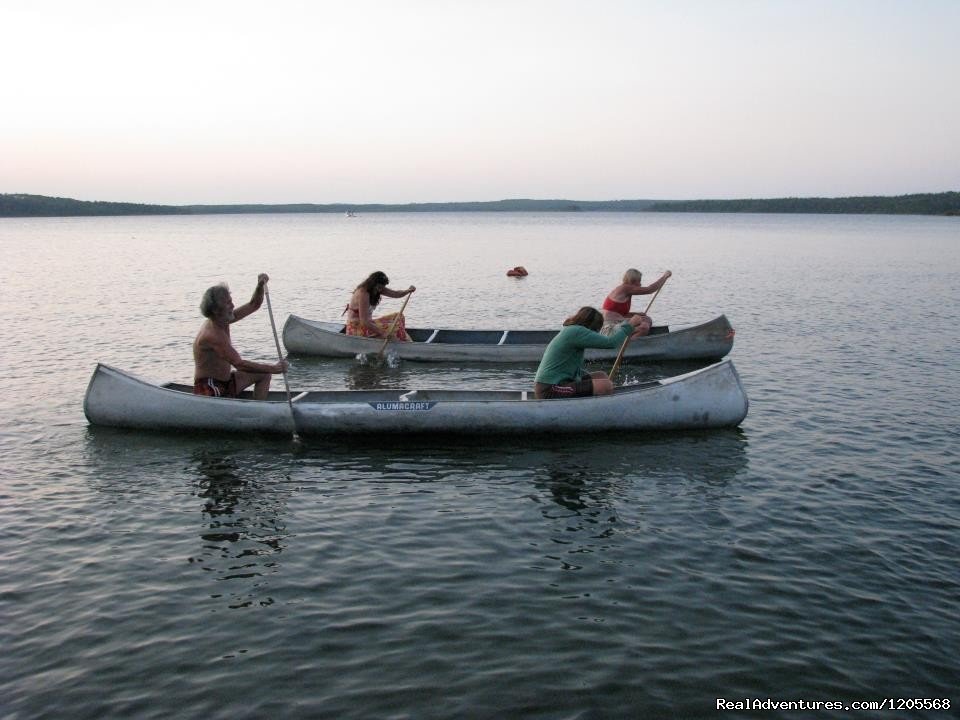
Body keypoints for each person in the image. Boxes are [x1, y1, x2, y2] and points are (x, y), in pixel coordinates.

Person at [193, 273, 288, 400]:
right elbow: (239, 364)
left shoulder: (224, 319)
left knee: (264, 374)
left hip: (226, 382)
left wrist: (260, 285)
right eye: (228, 303)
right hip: (209, 388)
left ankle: (259, 411)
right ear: (216, 310)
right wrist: (275, 368)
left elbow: (254, 305)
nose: (232, 306)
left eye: (231, 301)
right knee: (268, 370)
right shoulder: (212, 335)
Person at [534, 307, 648, 399]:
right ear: (592, 326)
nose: (596, 333)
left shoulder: (572, 330)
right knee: (606, 385)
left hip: (563, 381)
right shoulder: (576, 331)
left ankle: (598, 402)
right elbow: (610, 343)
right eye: (597, 329)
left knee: (602, 376)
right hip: (549, 388)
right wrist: (630, 325)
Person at [344, 270, 416, 341]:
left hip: (369, 324)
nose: (380, 290)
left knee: (399, 316)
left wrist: (408, 290)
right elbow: (364, 321)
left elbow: (396, 294)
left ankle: (401, 339)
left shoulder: (377, 288)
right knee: (393, 328)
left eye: (382, 287)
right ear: (373, 283)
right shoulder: (363, 293)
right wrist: (382, 333)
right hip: (357, 328)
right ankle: (402, 341)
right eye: (379, 287)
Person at [599, 268, 672, 337]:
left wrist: (636, 314)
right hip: (609, 329)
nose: (640, 284)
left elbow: (619, 314)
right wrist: (664, 276)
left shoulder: (624, 291)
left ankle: (631, 339)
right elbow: (649, 289)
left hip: (616, 323)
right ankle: (628, 345)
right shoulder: (625, 288)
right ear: (632, 281)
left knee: (646, 319)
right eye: (639, 281)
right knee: (644, 327)